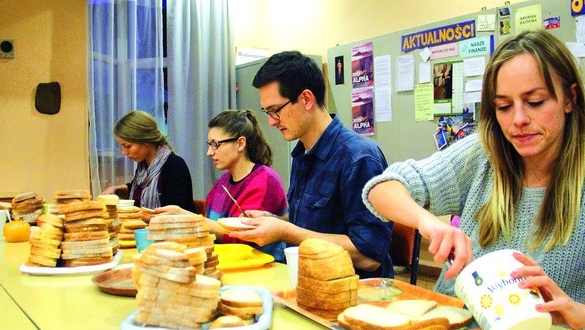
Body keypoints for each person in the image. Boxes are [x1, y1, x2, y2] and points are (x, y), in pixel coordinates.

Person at [362, 30, 585, 330]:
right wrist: (429, 223)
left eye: (535, 102)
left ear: (570, 99)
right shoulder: (483, 156)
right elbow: (381, 188)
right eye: (504, 107)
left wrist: (583, 314)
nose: (518, 119)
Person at [229, 50, 394, 279]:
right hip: (307, 284)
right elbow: (311, 225)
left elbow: (369, 256)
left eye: (275, 110)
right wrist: (273, 221)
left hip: (351, 296)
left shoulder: (359, 158)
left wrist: (286, 231)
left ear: (306, 99)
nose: (271, 121)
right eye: (267, 112)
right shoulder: (302, 155)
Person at [155, 109, 288, 261]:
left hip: (262, 271)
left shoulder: (265, 180)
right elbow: (211, 233)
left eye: (215, 144)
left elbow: (241, 238)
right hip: (228, 265)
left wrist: (186, 217)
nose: (209, 153)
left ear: (240, 143)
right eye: (209, 145)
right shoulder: (223, 182)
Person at [102, 110, 195, 212]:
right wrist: (116, 189)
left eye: (127, 146)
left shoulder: (174, 166)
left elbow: (174, 213)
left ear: (146, 141)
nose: (123, 152)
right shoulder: (143, 167)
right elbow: (139, 191)